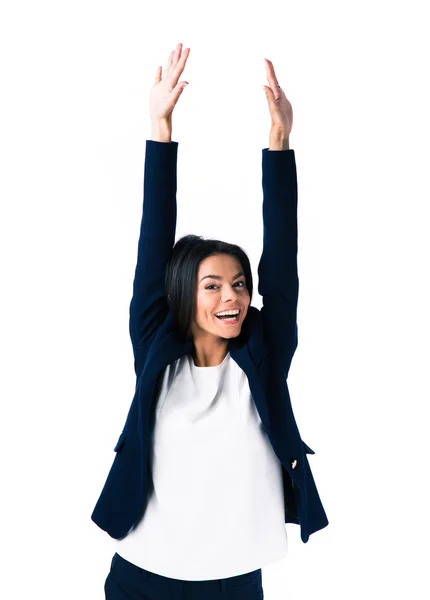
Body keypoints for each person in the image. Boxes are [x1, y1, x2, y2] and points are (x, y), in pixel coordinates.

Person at [94, 42, 329, 600]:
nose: (233, 297)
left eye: (240, 284)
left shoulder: (264, 352)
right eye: (213, 285)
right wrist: (160, 129)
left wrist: (279, 143)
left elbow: (284, 263)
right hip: (143, 576)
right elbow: (154, 240)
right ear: (183, 294)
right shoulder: (156, 345)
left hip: (233, 581)